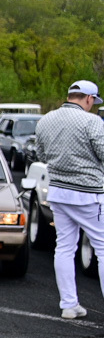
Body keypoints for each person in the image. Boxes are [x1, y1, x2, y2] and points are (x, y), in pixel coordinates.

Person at [35, 80, 104, 319]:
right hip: (89, 193)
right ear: (88, 98)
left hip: (58, 192)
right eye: (93, 101)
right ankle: (70, 303)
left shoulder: (46, 120)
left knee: (64, 247)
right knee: (102, 248)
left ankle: (68, 304)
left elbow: (41, 154)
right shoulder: (92, 121)